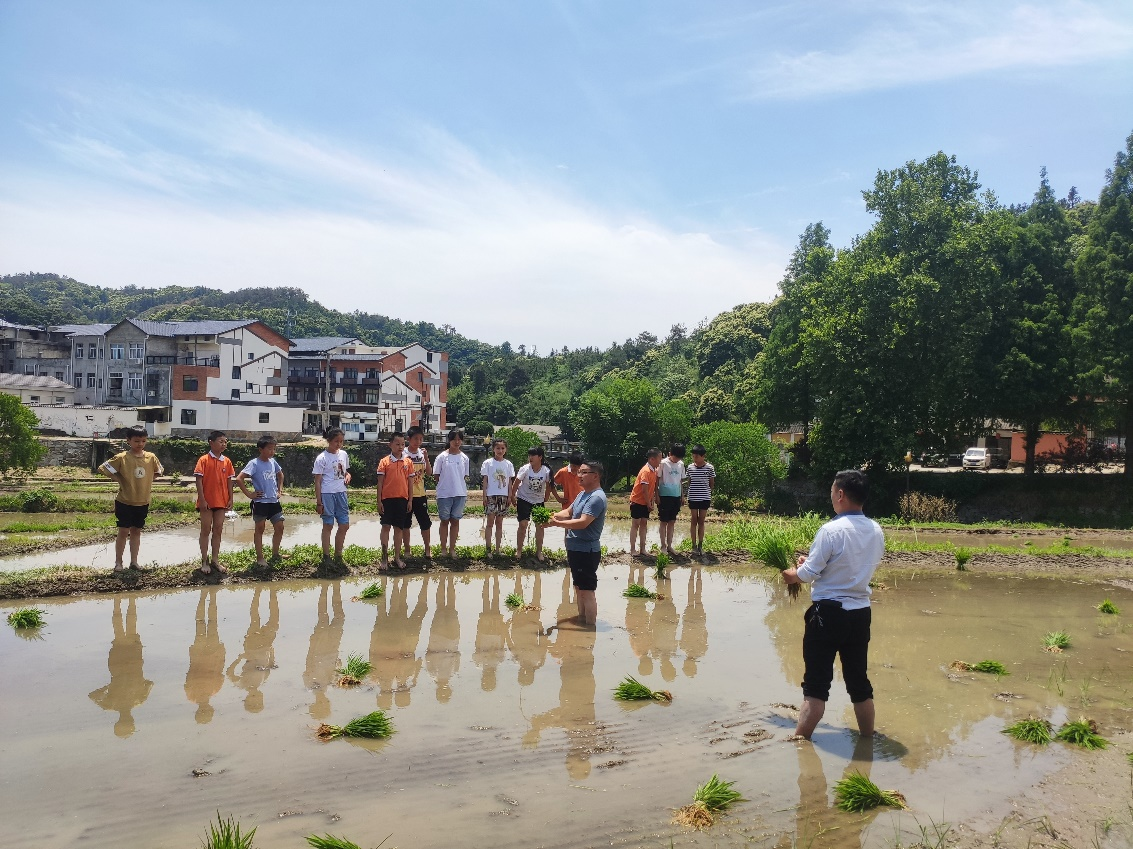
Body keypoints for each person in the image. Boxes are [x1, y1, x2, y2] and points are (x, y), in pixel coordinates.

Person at [782, 470, 885, 740]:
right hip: (860, 614)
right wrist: (811, 566)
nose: (831, 497)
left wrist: (790, 573)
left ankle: (800, 742)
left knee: (816, 687)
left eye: (831, 492)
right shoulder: (876, 530)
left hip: (828, 615)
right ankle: (867, 737)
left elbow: (805, 576)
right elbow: (850, 566)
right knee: (859, 683)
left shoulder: (830, 530)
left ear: (840, 494)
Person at [548, 460, 607, 627]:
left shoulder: (596, 497)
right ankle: (582, 621)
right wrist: (553, 516)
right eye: (578, 472)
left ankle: (589, 629)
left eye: (583, 472)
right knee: (578, 589)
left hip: (586, 551)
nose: (578, 475)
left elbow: (582, 522)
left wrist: (556, 524)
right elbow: (569, 512)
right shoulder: (583, 494)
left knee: (587, 592)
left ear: (595, 476)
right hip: (575, 548)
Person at [98, 425, 164, 573]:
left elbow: (159, 470)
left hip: (143, 501)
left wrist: (148, 480)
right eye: (136, 441)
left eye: (143, 441)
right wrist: (118, 478)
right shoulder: (122, 458)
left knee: (136, 531)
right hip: (125, 501)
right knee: (123, 531)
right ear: (128, 441)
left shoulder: (151, 457)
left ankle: (134, 562)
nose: (140, 444)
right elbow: (103, 468)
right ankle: (118, 563)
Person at [235, 434, 285, 568]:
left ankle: (275, 553)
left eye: (274, 449)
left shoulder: (273, 462)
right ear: (260, 449)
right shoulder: (254, 463)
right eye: (269, 448)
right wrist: (250, 494)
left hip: (274, 501)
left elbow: (280, 475)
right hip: (260, 502)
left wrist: (279, 491)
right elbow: (239, 478)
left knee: (280, 527)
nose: (272, 451)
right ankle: (260, 558)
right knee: (260, 529)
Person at [194, 430, 235, 575]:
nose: (224, 444)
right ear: (211, 443)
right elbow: (198, 480)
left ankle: (215, 560)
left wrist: (231, 498)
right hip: (207, 502)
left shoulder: (227, 461)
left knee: (218, 530)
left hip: (222, 501)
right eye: (220, 441)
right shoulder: (204, 460)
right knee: (205, 530)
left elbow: (230, 480)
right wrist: (202, 499)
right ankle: (204, 561)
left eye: (225, 441)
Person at [510, 445, 560, 562]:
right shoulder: (525, 469)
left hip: (538, 501)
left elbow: (549, 486)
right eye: (529, 455)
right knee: (523, 524)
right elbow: (516, 483)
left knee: (540, 525)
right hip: (524, 498)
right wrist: (512, 496)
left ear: (540, 457)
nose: (530, 457)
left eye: (533, 455)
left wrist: (546, 497)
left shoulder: (546, 471)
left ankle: (539, 552)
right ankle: (519, 550)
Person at [312, 427, 352, 564]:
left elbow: (345, 472)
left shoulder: (344, 455)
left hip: (341, 493)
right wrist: (319, 502)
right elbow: (317, 481)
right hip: (327, 494)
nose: (339, 444)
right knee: (328, 525)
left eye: (341, 441)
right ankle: (326, 556)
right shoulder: (322, 458)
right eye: (336, 441)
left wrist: (348, 476)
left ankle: (338, 554)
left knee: (344, 525)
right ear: (329, 441)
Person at [376, 431, 415, 570]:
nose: (400, 447)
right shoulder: (384, 462)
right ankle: (384, 558)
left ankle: (397, 557)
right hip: (387, 499)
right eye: (397, 444)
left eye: (403, 444)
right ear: (390, 444)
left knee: (399, 528)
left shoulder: (408, 462)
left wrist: (410, 500)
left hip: (402, 500)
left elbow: (410, 483)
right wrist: (379, 501)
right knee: (385, 526)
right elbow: (380, 483)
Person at [432, 429, 470, 557]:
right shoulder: (442, 457)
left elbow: (464, 476)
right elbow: (436, 475)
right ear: (450, 440)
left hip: (460, 493)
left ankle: (452, 549)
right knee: (444, 521)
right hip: (444, 494)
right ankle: (443, 549)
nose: (457, 442)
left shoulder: (464, 458)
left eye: (459, 439)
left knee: (455, 521)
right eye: (454, 439)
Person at [480, 438, 515, 557]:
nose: (500, 450)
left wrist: (510, 495)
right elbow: (485, 480)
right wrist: (484, 495)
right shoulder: (488, 463)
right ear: (493, 449)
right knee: (490, 523)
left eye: (502, 448)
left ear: (506, 449)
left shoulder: (508, 464)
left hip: (504, 496)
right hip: (491, 495)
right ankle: (488, 549)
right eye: (498, 448)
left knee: (499, 523)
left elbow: (510, 481)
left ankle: (498, 549)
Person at [404, 426, 434, 563]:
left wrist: (427, 458)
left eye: (421, 439)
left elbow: (429, 472)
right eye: (416, 438)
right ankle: (407, 549)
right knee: (405, 523)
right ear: (409, 439)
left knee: (425, 523)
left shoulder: (422, 454)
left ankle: (427, 548)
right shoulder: (403, 453)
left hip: (420, 493)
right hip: (404, 495)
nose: (418, 441)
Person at [628, 448, 661, 556]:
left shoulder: (654, 471)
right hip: (637, 501)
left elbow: (652, 489)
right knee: (635, 524)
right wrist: (648, 503)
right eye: (659, 458)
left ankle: (642, 549)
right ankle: (633, 549)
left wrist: (651, 502)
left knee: (644, 524)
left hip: (646, 502)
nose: (660, 461)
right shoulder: (646, 471)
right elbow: (644, 490)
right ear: (652, 459)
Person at [657, 443, 687, 557]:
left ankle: (670, 545)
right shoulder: (663, 463)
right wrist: (656, 495)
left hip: (676, 496)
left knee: (672, 521)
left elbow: (680, 481)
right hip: (664, 496)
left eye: (679, 458)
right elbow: (657, 479)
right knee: (663, 521)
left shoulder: (681, 464)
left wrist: (682, 495)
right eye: (675, 457)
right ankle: (663, 546)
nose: (676, 460)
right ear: (670, 454)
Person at [685, 445, 716, 554]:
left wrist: (705, 491)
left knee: (701, 521)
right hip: (693, 497)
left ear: (703, 456)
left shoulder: (710, 468)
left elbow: (711, 484)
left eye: (697, 456)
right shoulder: (690, 467)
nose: (695, 458)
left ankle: (700, 546)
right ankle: (693, 546)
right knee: (694, 520)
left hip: (704, 497)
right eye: (693, 456)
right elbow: (689, 482)